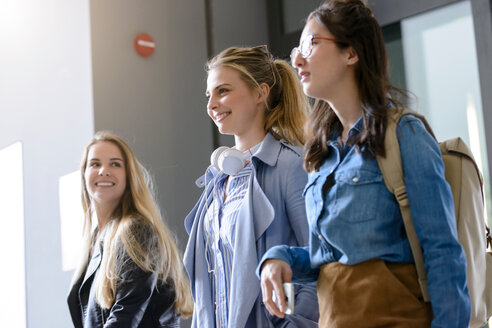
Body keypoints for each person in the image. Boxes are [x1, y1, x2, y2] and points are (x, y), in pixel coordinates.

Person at [258, 1, 471, 327]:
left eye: (311, 44)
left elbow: (442, 253)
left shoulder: (403, 133)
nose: (297, 59)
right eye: (296, 48)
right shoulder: (322, 154)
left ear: (351, 53)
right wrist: (279, 258)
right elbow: (328, 260)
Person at [183, 45, 319, 327]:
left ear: (260, 93)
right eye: (209, 95)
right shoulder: (216, 181)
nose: (211, 105)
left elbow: (320, 261)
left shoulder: (290, 166)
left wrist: (292, 324)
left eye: (223, 91)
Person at [67, 131, 193, 327]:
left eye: (115, 164)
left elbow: (125, 317)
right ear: (84, 175)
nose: (103, 171)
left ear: (129, 175)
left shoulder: (135, 231)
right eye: (95, 164)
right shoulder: (94, 241)